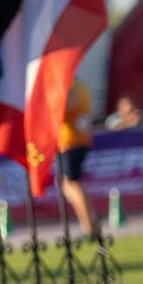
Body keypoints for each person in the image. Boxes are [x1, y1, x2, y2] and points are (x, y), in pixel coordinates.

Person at [58, 81, 97, 236]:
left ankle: (88, 224)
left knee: (72, 184)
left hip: (71, 141)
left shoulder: (71, 85)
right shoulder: (80, 85)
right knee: (68, 184)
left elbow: (66, 106)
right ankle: (89, 221)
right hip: (72, 140)